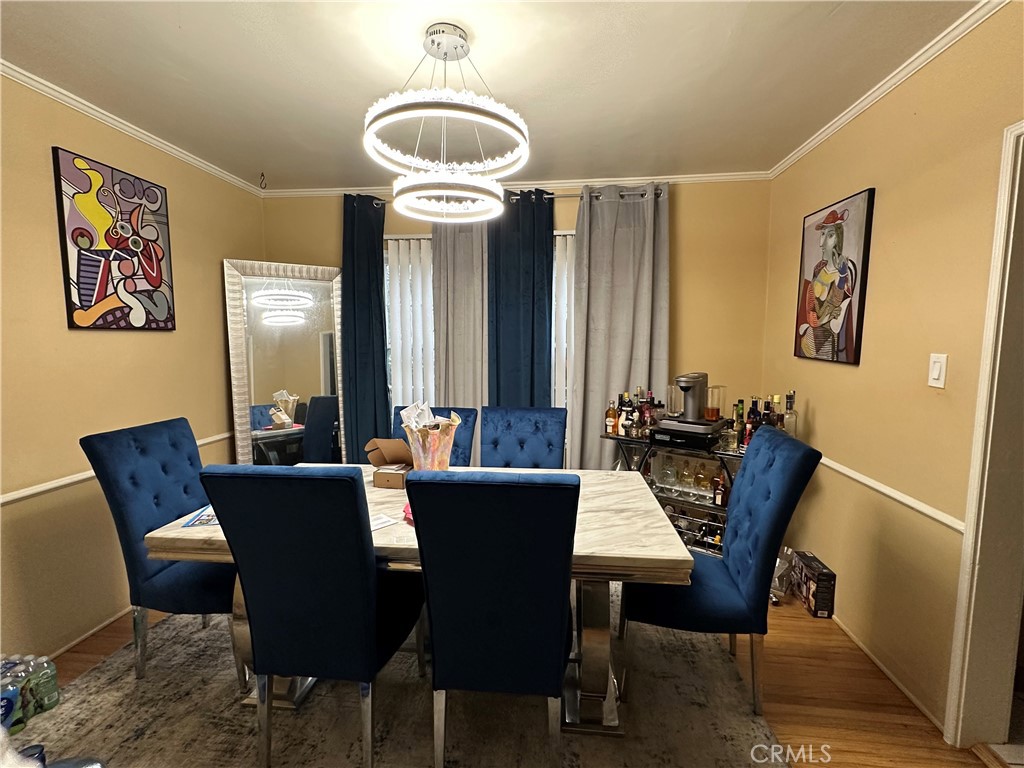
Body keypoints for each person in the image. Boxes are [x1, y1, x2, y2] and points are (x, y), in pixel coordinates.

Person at [796, 208, 857, 361]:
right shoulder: (818, 268)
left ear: (838, 239)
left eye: (830, 235)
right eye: (822, 234)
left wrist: (842, 278)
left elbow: (837, 311)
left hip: (826, 343)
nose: (822, 242)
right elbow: (810, 303)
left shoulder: (845, 271)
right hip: (808, 340)